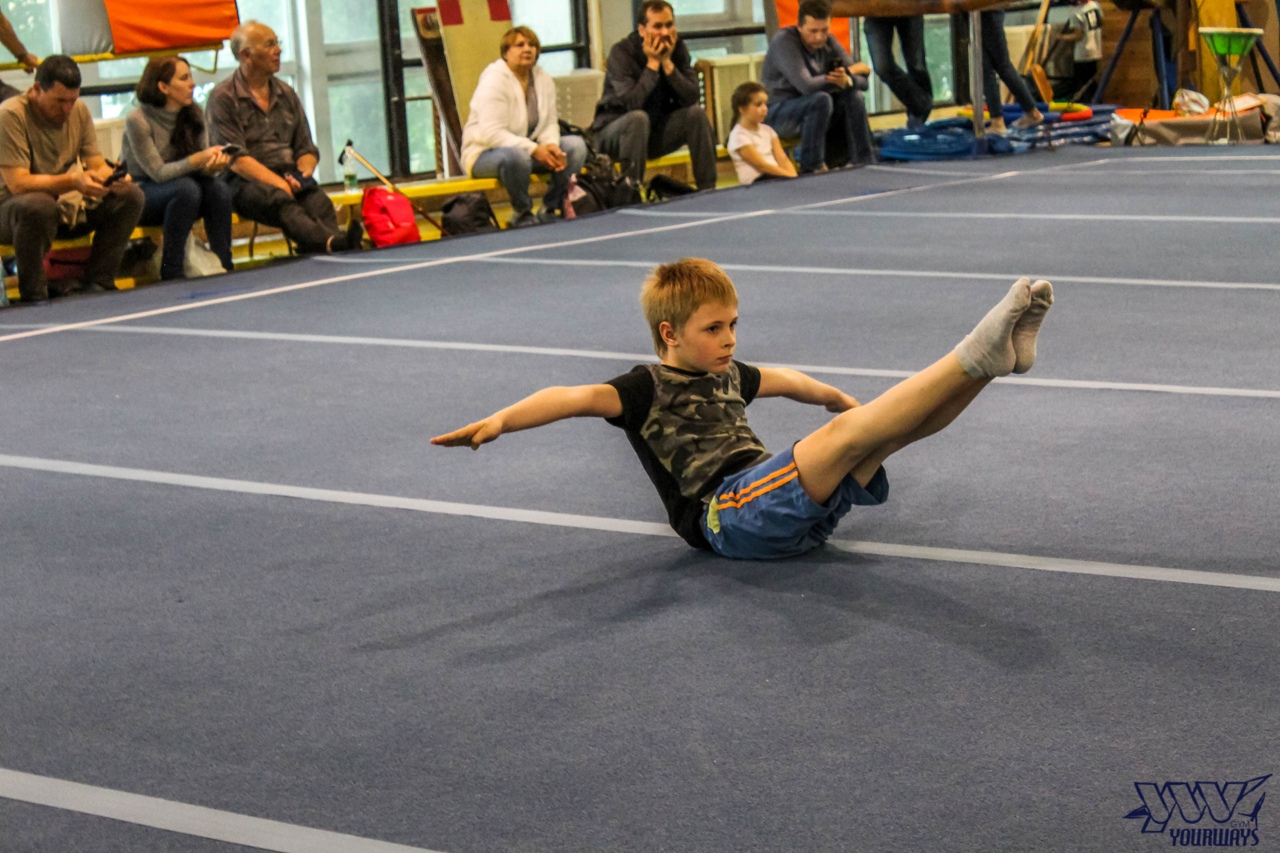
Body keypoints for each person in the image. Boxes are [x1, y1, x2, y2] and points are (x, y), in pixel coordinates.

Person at [432, 259, 1054, 559]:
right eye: (713, 329)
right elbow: (568, 398)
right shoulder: (643, 388)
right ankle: (973, 353)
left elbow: (791, 382)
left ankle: (991, 367)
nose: (729, 339)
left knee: (885, 437)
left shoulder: (728, 373)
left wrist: (839, 398)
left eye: (733, 324)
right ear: (670, 333)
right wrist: (501, 420)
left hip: (789, 513)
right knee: (845, 436)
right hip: (725, 515)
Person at [207, 20, 362, 254]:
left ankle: (328, 249)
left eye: (277, 43)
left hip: (288, 174)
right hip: (243, 182)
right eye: (269, 45)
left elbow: (306, 148)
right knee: (279, 200)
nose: (278, 50)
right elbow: (237, 160)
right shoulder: (223, 97)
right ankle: (332, 244)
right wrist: (280, 184)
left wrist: (302, 174)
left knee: (319, 202)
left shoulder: (286, 93)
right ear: (246, 55)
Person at [0, 55, 145, 302]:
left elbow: (95, 162)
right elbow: (18, 183)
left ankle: (99, 282)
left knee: (130, 195)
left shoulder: (79, 110)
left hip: (62, 205)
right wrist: (74, 181)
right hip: (12, 211)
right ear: (37, 89)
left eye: (72, 100)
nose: (67, 109)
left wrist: (110, 177)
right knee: (38, 204)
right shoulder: (10, 115)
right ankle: (34, 295)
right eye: (59, 101)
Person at [462, 26, 587, 228]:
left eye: (532, 45)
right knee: (517, 157)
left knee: (575, 146)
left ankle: (551, 207)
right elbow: (491, 134)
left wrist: (551, 145)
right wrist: (534, 149)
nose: (527, 49)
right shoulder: (493, 80)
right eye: (519, 45)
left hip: (529, 151)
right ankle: (522, 212)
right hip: (484, 154)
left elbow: (549, 122)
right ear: (506, 52)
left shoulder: (543, 79)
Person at [121, 56, 234, 280]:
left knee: (218, 189)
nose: (192, 83)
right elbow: (158, 173)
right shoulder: (137, 120)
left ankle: (224, 264)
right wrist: (198, 159)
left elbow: (200, 169)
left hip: (184, 188)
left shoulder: (195, 112)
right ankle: (171, 270)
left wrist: (212, 167)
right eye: (184, 78)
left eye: (190, 77)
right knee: (186, 189)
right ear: (163, 87)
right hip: (143, 193)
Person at [591, 0, 717, 192]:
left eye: (669, 25)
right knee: (638, 119)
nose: (665, 33)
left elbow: (691, 96)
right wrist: (652, 64)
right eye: (658, 26)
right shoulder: (621, 53)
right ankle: (630, 192)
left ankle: (708, 191)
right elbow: (632, 103)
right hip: (613, 134)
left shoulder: (677, 48)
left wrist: (667, 64)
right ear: (642, 30)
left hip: (653, 134)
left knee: (696, 115)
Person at [762, 0, 875, 172]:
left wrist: (848, 78)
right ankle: (812, 166)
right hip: (778, 112)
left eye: (824, 30)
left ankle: (863, 160)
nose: (819, 37)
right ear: (800, 27)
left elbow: (863, 84)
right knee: (821, 99)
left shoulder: (829, 41)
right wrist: (849, 71)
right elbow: (806, 86)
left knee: (853, 96)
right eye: (813, 31)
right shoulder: (784, 42)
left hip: (817, 109)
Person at [979, 11, 1045, 134]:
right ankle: (999, 119)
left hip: (986, 12)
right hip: (983, 13)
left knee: (1000, 66)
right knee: (986, 69)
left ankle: (1001, 120)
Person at [863, 15, 933, 128]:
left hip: (910, 9)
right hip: (875, 12)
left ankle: (918, 117)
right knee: (882, 68)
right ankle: (922, 105)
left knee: (917, 67)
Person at [726, 82, 796, 186]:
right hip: (757, 183)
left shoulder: (768, 130)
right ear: (742, 109)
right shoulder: (738, 136)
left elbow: (783, 159)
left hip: (775, 177)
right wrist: (789, 177)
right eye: (758, 104)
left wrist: (795, 177)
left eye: (765, 104)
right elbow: (761, 166)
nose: (764, 109)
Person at [1059, 0, 1103, 101]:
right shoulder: (1095, 5)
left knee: (1082, 86)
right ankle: (1097, 103)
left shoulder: (1076, 12)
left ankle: (1088, 105)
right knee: (1091, 82)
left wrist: (1062, 37)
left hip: (1083, 53)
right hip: (1095, 50)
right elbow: (1101, 22)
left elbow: (1078, 35)